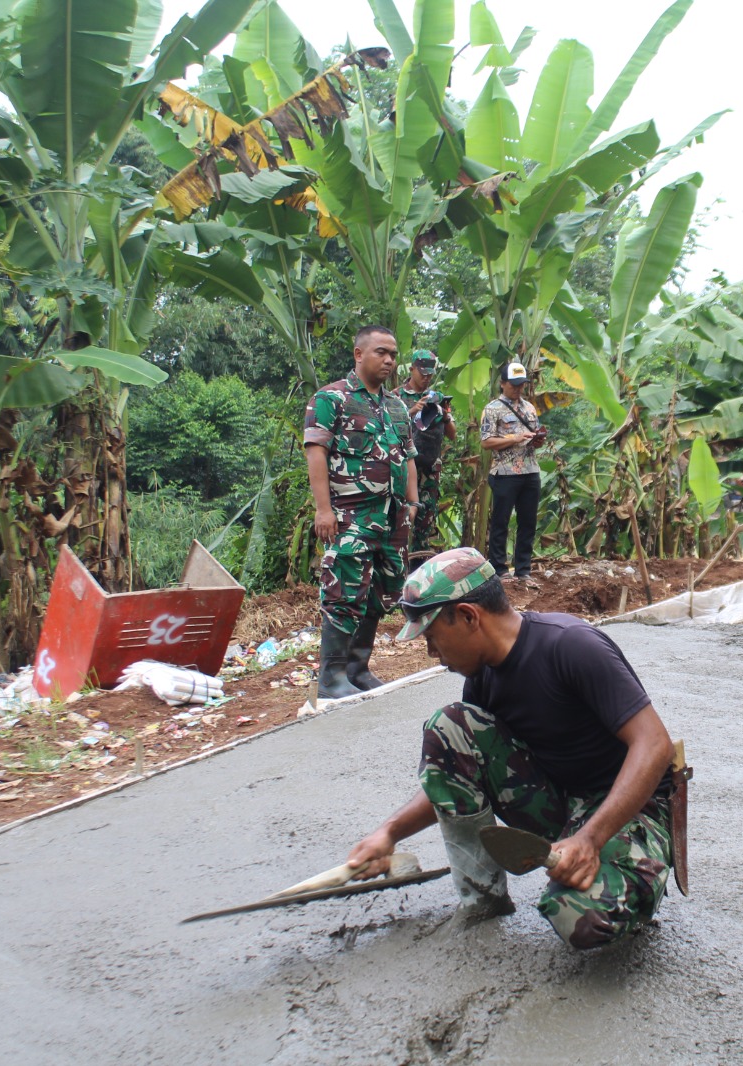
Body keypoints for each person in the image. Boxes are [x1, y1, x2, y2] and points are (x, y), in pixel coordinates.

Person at [342, 548, 679, 948]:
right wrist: (389, 833)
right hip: (559, 804)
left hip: (627, 813)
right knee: (449, 726)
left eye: (432, 637)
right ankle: (483, 899)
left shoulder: (571, 646)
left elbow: (655, 744)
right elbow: (455, 771)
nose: (434, 654)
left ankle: (631, 871)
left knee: (582, 920)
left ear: (469, 616)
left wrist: (589, 840)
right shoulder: (483, 677)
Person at [303, 325, 419, 702]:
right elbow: (315, 451)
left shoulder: (397, 405)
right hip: (351, 515)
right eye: (381, 352)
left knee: (379, 593)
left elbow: (409, 457)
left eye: (394, 354)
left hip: (392, 518)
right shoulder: (331, 398)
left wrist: (413, 503)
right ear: (358, 354)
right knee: (344, 592)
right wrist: (324, 509)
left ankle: (357, 669)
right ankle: (331, 676)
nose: (389, 360)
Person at [480, 362, 546, 584]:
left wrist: (537, 440)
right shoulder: (492, 409)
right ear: (503, 383)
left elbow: (534, 441)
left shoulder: (529, 408)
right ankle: (499, 569)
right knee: (501, 522)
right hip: (505, 473)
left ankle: (523, 570)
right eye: (514, 384)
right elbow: (486, 442)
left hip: (530, 470)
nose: (518, 389)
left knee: (527, 522)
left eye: (522, 385)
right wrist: (513, 438)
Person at [398, 351, 456, 556]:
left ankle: (418, 571)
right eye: (422, 373)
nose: (426, 378)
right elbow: (386, 427)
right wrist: (412, 410)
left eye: (430, 374)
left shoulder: (437, 397)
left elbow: (452, 435)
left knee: (425, 524)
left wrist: (444, 414)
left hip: (429, 471)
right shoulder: (396, 396)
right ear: (411, 368)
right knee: (400, 521)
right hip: (403, 470)